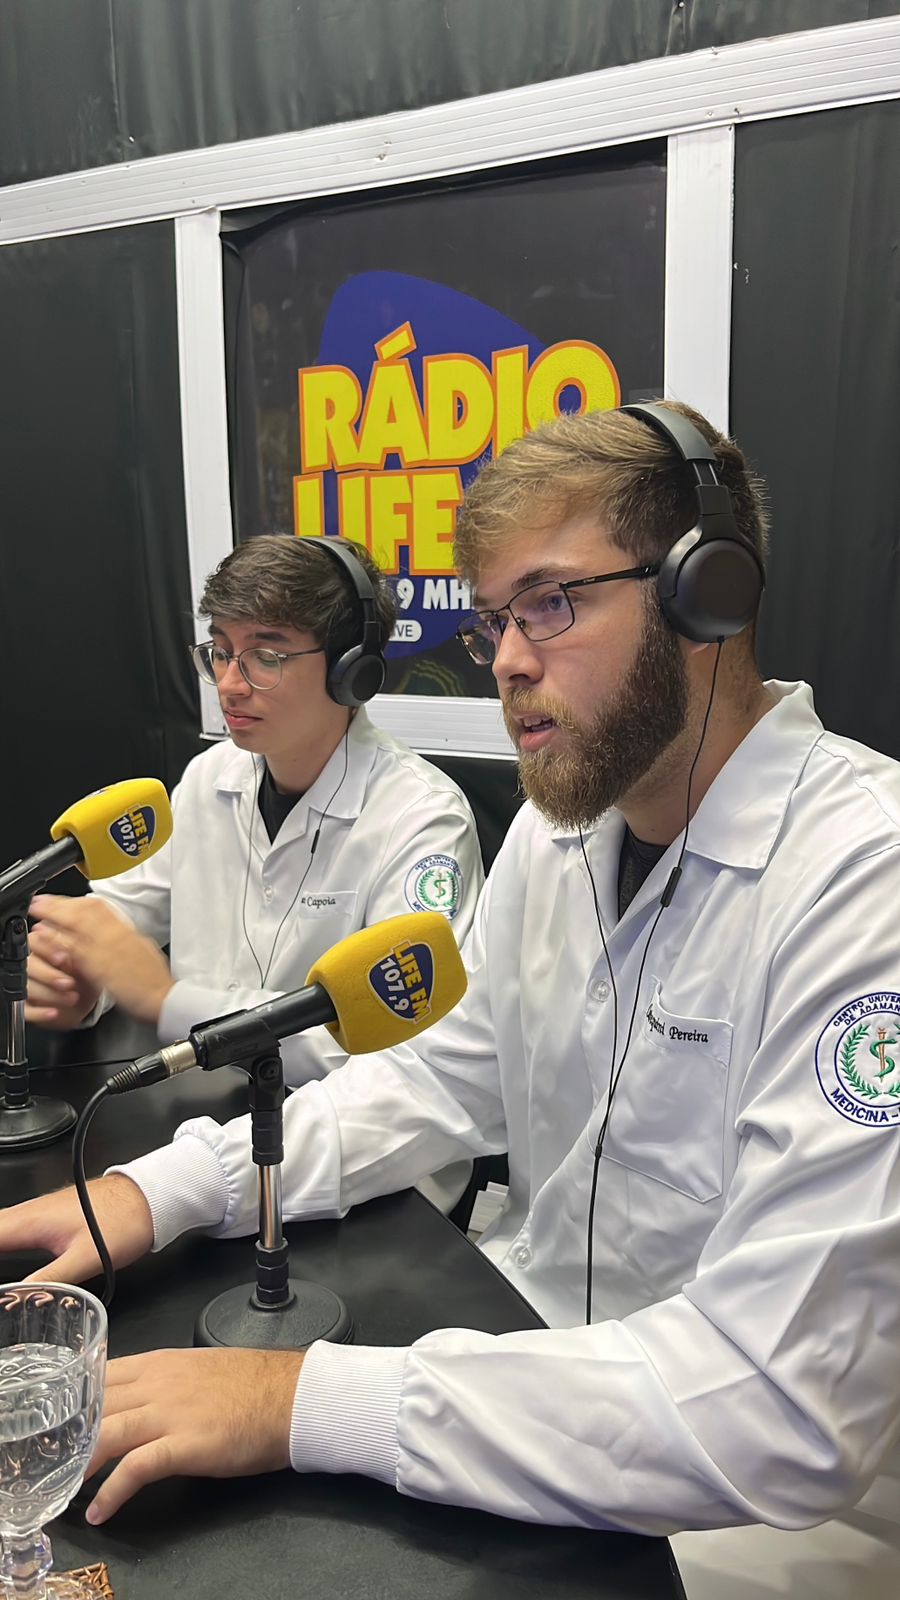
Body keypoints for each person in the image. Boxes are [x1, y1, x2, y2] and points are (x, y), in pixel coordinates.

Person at [5, 405, 900, 1600]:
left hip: (756, 1535)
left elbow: (780, 1405)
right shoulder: (557, 837)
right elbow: (432, 1076)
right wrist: (165, 1189)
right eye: (493, 622)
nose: (509, 662)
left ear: (706, 597)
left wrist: (298, 1401)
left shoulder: (864, 878)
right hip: (516, 1384)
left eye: (552, 604)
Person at [24, 533, 483, 1205]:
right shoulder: (209, 778)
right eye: (220, 652)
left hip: (362, 1170)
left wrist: (170, 1002)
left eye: (266, 656)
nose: (230, 685)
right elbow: (123, 914)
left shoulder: (422, 819)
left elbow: (401, 1047)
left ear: (351, 670)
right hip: (204, 1127)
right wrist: (79, 978)